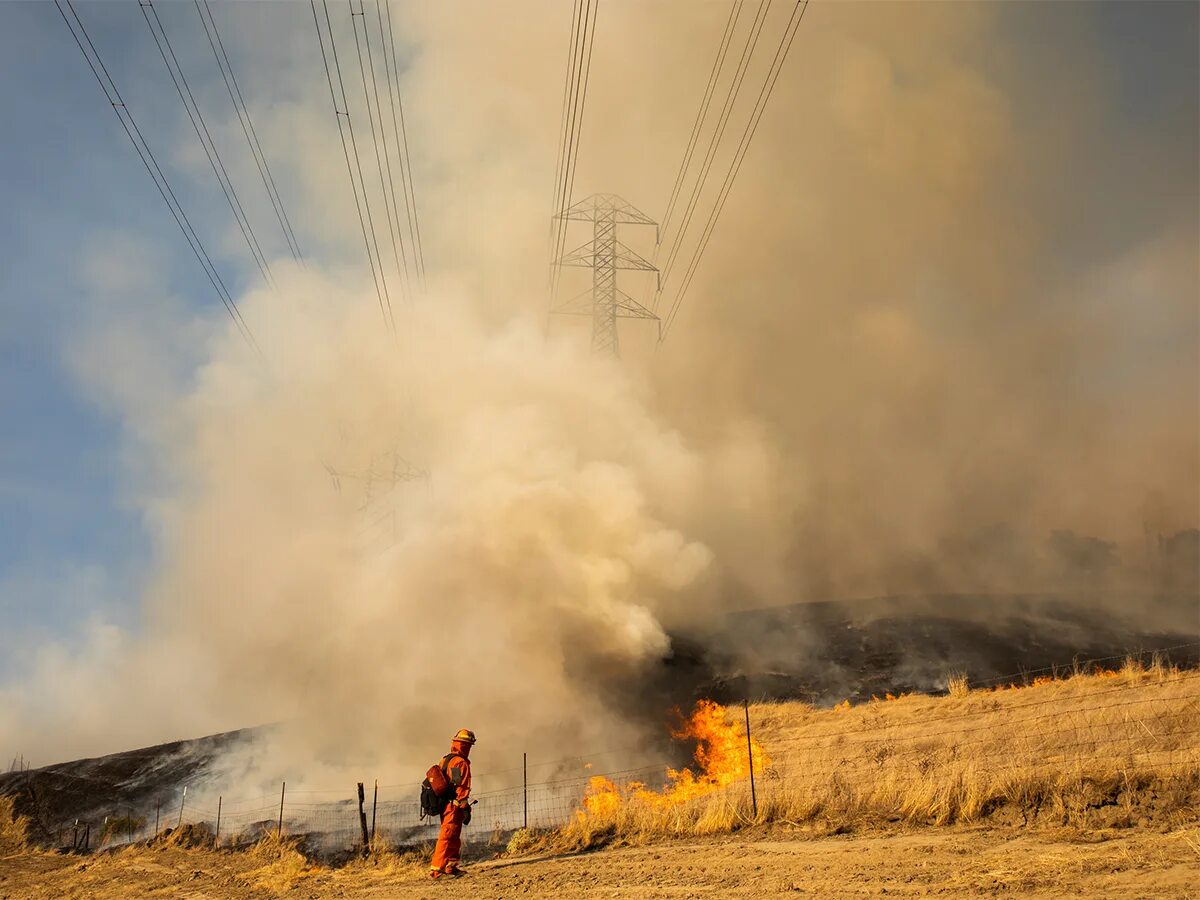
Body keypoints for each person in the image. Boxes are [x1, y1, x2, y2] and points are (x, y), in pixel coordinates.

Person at [429, 728, 475, 879]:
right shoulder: (460, 762)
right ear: (465, 746)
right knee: (447, 836)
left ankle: (451, 866)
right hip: (453, 806)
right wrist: (464, 806)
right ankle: (437, 870)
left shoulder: (446, 759)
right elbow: (460, 786)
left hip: (446, 804)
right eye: (468, 745)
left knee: (454, 835)